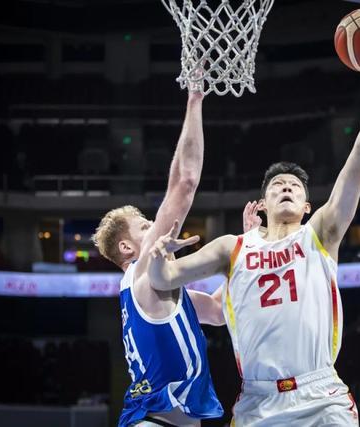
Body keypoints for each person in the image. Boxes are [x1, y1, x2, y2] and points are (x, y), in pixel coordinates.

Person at [142, 31, 360, 425]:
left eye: (295, 186)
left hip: (320, 395)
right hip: (258, 402)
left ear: (307, 206)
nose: (286, 187)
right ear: (262, 204)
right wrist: (159, 257)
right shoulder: (232, 247)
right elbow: (164, 280)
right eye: (278, 185)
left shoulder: (320, 234)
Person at [92, 86, 225, 427]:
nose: (156, 228)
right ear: (127, 248)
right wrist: (195, 100)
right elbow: (185, 183)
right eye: (145, 227)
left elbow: (218, 312)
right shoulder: (141, 273)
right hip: (156, 421)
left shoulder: (155, 290)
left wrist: (243, 253)